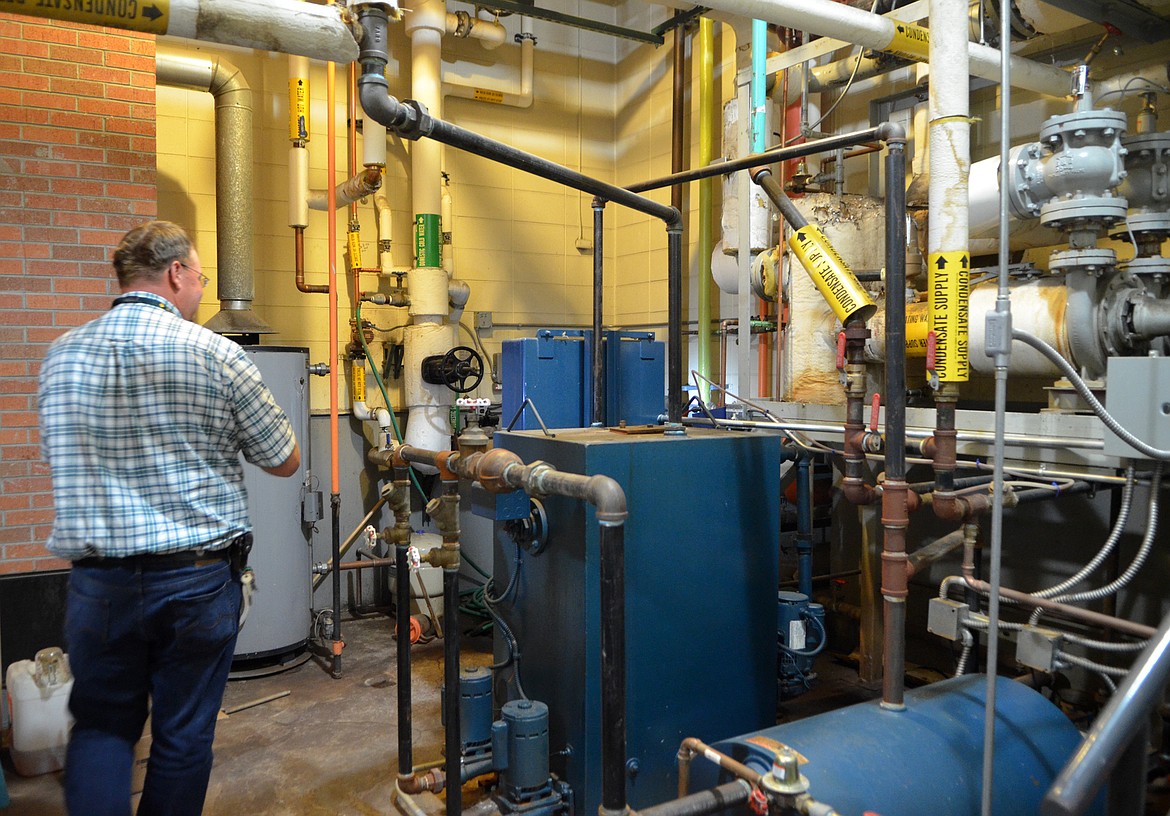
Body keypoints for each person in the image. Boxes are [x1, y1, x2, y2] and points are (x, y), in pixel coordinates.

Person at [38, 220, 301, 816]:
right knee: (182, 737)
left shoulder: (62, 356)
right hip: (196, 582)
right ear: (176, 272)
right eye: (201, 276)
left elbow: (61, 459)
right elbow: (285, 459)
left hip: (98, 584)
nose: (203, 290)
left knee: (102, 727)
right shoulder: (216, 353)